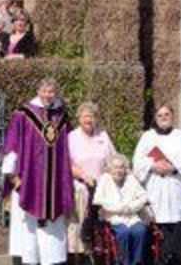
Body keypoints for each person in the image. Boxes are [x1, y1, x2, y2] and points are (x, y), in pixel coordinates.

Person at [1, 78, 74, 265]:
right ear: (38, 91)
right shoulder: (23, 114)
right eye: (45, 91)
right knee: (28, 227)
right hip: (28, 179)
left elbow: (69, 147)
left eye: (52, 92)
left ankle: (53, 259)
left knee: (53, 227)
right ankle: (29, 260)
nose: (48, 95)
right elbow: (13, 144)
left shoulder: (62, 116)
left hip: (54, 181)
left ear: (56, 92)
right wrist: (12, 175)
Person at [134, 104, 181, 265]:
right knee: (158, 223)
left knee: (177, 223)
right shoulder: (147, 137)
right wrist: (152, 165)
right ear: (155, 118)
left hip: (176, 186)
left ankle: (177, 259)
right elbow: (137, 161)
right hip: (156, 186)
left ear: (172, 116)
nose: (164, 117)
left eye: (167, 114)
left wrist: (173, 166)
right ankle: (158, 259)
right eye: (160, 115)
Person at [67, 102, 116, 261]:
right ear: (79, 118)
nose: (89, 119)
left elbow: (112, 160)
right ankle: (79, 258)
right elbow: (66, 164)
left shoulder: (103, 135)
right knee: (78, 226)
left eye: (92, 116)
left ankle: (97, 255)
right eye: (85, 115)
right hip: (80, 188)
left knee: (99, 228)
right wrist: (83, 176)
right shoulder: (71, 137)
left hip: (101, 189)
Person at [93, 154, 152, 265]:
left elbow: (144, 196)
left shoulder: (131, 179)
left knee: (140, 231)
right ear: (110, 169)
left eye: (121, 167)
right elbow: (98, 200)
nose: (119, 170)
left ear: (125, 169)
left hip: (132, 216)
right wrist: (119, 208)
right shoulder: (105, 179)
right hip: (112, 217)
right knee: (123, 233)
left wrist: (131, 207)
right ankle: (123, 262)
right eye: (115, 167)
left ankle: (136, 261)